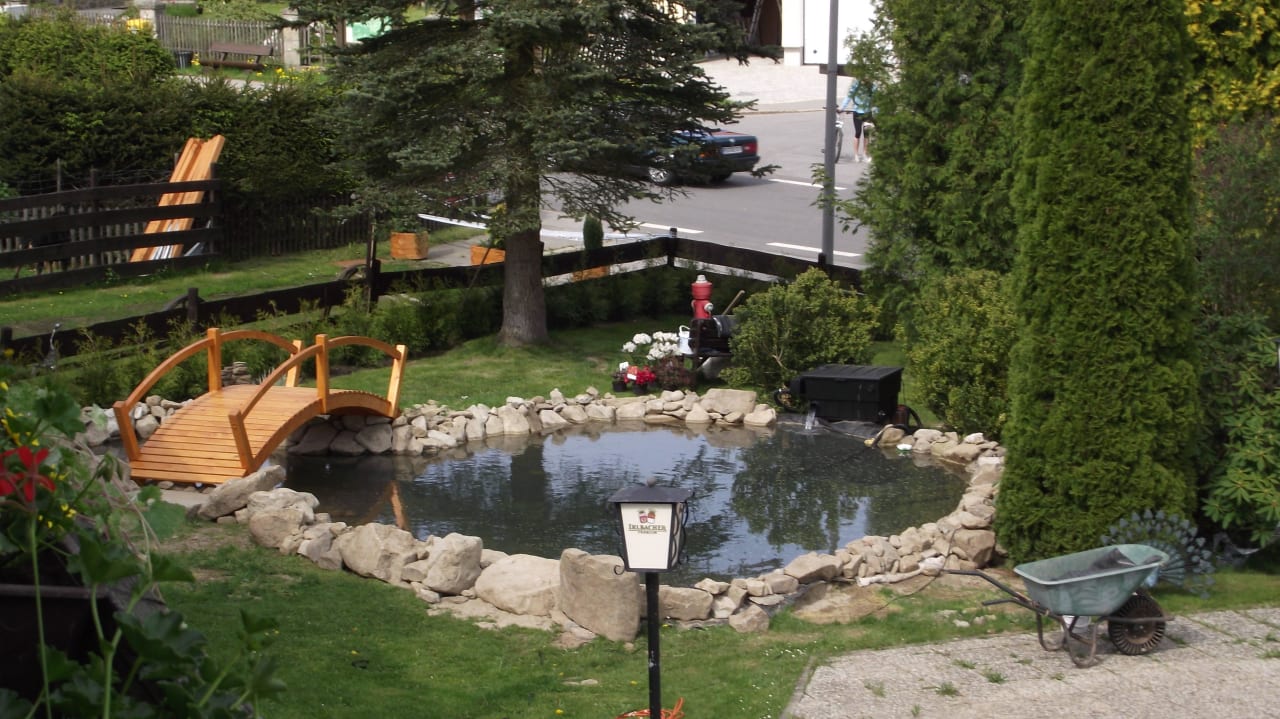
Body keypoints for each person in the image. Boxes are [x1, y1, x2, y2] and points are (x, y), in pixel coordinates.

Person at [838, 77, 874, 162]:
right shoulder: (856, 85)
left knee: (866, 134)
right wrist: (842, 107)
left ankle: (864, 154)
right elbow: (848, 97)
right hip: (857, 111)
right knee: (858, 133)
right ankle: (856, 155)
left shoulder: (871, 86)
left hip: (867, 112)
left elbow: (876, 99)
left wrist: (876, 111)